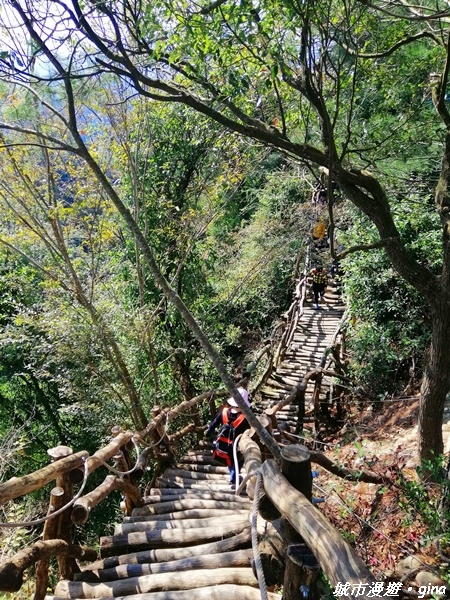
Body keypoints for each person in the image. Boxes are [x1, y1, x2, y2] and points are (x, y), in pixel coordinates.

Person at [206, 387, 250, 487]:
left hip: (223, 443)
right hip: (237, 444)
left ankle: (233, 475)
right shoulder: (245, 416)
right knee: (238, 461)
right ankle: (234, 476)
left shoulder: (224, 411)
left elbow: (214, 424)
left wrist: (208, 433)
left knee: (229, 459)